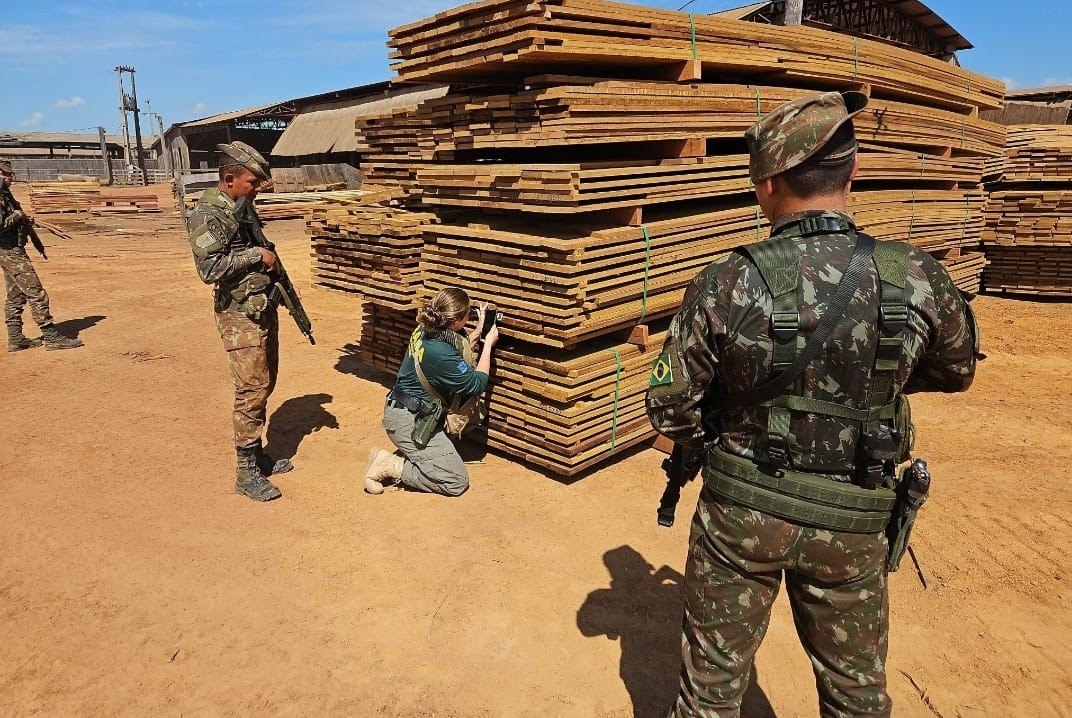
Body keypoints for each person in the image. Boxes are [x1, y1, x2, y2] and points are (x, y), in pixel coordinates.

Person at [646, 91, 978, 718]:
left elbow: (669, 408)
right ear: (852, 173)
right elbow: (956, 371)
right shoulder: (916, 274)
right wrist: (869, 391)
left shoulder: (727, 278)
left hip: (742, 513)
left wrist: (721, 431)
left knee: (710, 694)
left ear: (765, 184)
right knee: (855, 694)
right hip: (855, 518)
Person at [185, 141, 294, 502]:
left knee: (266, 383)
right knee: (251, 390)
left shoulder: (242, 206)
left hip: (258, 308)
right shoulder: (207, 215)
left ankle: (258, 455)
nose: (257, 188)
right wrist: (256, 255)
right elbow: (210, 268)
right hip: (237, 315)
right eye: (252, 182)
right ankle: (246, 471)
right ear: (229, 179)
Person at [364, 287, 499, 497]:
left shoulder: (426, 328)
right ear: (456, 321)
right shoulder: (441, 352)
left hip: (408, 409)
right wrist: (488, 345)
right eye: (468, 314)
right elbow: (476, 383)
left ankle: (430, 453)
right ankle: (389, 464)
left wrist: (479, 330)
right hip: (408, 420)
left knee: (470, 415)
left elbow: (456, 349)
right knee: (455, 481)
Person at [0, 160, 83, 352]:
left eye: (11, 175)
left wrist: (22, 218)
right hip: (9, 251)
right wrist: (18, 216)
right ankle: (51, 337)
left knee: (16, 293)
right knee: (35, 291)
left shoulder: (5, 194)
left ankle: (15, 337)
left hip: (12, 249)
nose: (10, 178)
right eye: (6, 175)